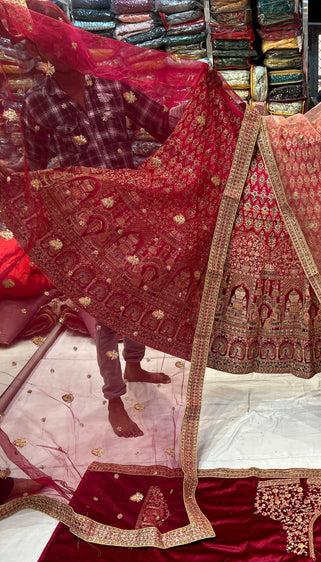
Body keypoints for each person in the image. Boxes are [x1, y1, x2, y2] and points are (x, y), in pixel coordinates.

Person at [1, 0, 173, 438]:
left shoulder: (112, 86)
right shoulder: (38, 104)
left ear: (76, 39)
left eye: (64, 42)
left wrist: (205, 113)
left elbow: (162, 126)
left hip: (132, 214)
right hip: (86, 225)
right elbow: (39, 173)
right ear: (41, 53)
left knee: (143, 292)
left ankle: (135, 367)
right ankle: (114, 397)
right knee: (107, 312)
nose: (60, 53)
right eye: (48, 47)